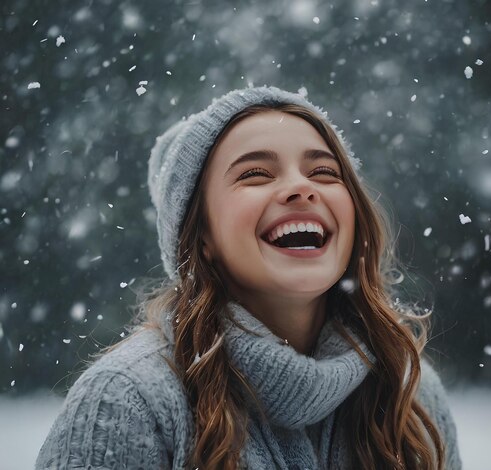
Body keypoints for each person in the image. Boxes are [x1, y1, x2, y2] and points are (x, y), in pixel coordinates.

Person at [36, 86, 461, 469]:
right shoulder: (128, 399)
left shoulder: (409, 397)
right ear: (201, 236)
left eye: (324, 172)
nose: (301, 188)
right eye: (255, 174)